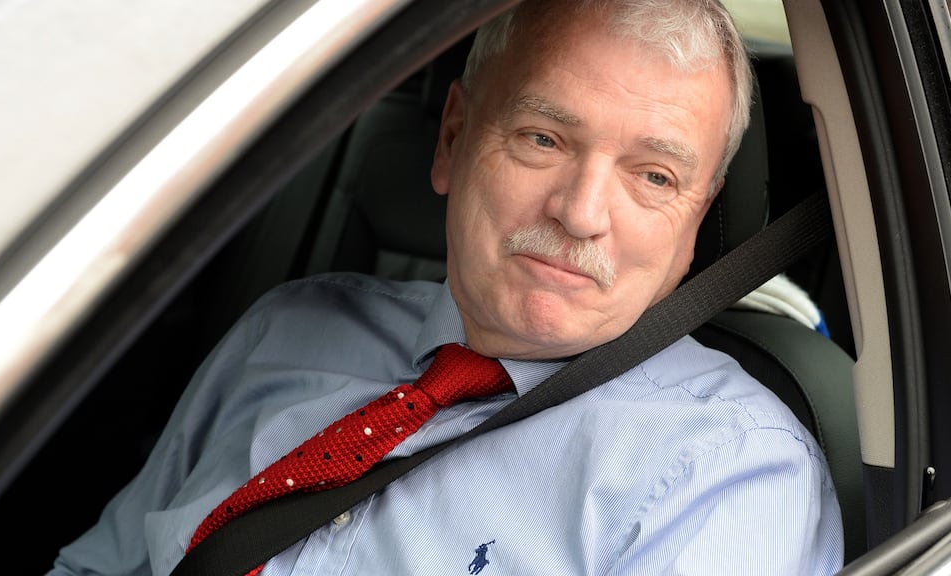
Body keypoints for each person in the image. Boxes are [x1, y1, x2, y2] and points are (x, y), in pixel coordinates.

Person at [50, 0, 844, 573]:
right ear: (454, 140)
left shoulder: (723, 471)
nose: (580, 213)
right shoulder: (287, 329)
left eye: (654, 176)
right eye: (543, 138)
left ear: (696, 218)